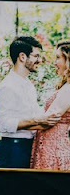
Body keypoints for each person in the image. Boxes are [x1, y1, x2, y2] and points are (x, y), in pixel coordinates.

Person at [0, 36, 61, 168]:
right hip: (13, 149)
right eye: (36, 56)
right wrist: (37, 121)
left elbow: (35, 115)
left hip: (27, 147)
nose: (39, 60)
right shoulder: (7, 86)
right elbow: (3, 123)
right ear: (22, 57)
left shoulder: (28, 85)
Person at [30, 40, 70, 170]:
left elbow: (47, 121)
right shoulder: (65, 86)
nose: (55, 63)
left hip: (54, 148)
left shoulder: (69, 89)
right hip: (48, 144)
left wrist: (16, 124)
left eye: (58, 58)